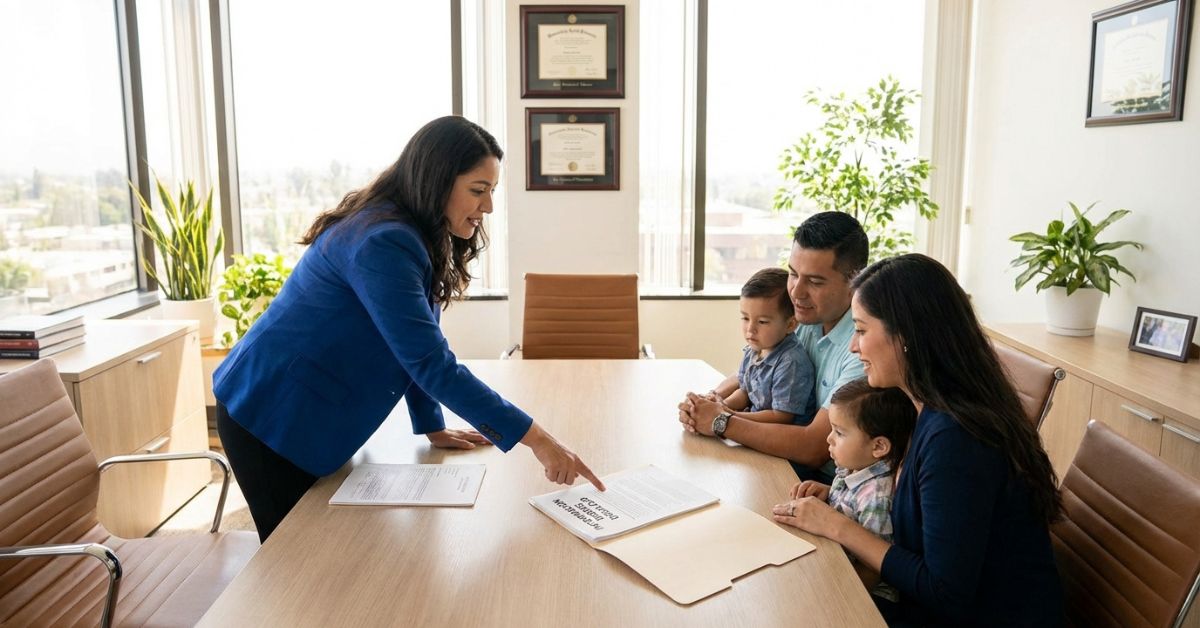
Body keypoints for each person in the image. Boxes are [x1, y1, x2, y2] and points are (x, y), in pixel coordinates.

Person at [213, 116, 603, 542]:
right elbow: (431, 363)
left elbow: (416, 342)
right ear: (436, 181)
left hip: (308, 408)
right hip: (271, 414)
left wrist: (430, 424)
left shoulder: (412, 231)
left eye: (492, 191)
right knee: (298, 566)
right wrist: (539, 439)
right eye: (478, 190)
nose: (488, 207)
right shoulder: (384, 241)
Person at [772, 254, 1064, 627]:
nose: (853, 347)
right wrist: (840, 499)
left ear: (906, 337)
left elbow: (946, 592)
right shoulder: (919, 407)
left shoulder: (956, 439)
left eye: (861, 331)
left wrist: (836, 525)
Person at [679, 211, 868, 482]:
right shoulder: (804, 314)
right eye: (793, 274)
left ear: (854, 280)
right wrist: (708, 401)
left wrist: (721, 421)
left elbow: (815, 447)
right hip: (775, 459)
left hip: (821, 482)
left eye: (814, 281)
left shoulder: (861, 347)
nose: (796, 292)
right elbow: (757, 369)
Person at [788, 378, 915, 604]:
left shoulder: (877, 498)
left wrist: (835, 598)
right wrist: (828, 492)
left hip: (867, 594)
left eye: (839, 432)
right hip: (838, 561)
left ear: (878, 447)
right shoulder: (855, 466)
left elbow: (873, 569)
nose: (829, 438)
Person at [705, 267, 814, 428]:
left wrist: (729, 415)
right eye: (745, 318)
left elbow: (781, 417)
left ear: (790, 324)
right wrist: (721, 405)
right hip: (752, 423)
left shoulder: (791, 362)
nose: (750, 329)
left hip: (778, 438)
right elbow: (744, 391)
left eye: (762, 321)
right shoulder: (754, 350)